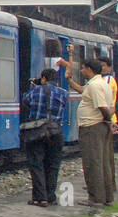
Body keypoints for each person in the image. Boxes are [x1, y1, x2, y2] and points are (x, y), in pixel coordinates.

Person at [20, 68, 68, 206]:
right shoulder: (63, 93)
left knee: (36, 163)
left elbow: (26, 101)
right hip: (56, 131)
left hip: (38, 131)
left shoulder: (35, 91)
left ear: (44, 78)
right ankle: (51, 196)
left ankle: (40, 198)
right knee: (53, 165)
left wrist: (35, 87)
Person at [76, 58, 115, 206]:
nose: (81, 71)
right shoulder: (103, 84)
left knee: (93, 162)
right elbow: (111, 107)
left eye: (83, 68)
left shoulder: (95, 86)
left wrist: (108, 120)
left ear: (89, 69)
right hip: (99, 126)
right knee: (103, 162)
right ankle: (107, 197)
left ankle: (96, 198)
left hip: (93, 127)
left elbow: (102, 107)